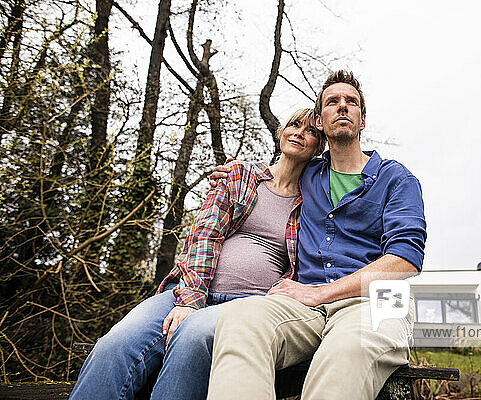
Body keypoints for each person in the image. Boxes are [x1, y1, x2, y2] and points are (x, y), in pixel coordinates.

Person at [69, 108, 326, 400]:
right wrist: (191, 300)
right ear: (281, 132)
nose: (299, 133)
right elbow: (205, 234)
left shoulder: (312, 205)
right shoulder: (240, 176)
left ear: (319, 146)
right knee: (115, 346)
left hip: (246, 307)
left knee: (191, 337)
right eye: (294, 125)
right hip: (186, 291)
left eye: (311, 132)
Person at [206, 70, 427, 400]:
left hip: (377, 300)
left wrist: (324, 293)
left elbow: (405, 261)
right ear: (321, 122)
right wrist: (236, 173)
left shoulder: (396, 178)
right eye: (332, 101)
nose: (342, 106)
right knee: (240, 320)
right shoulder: (308, 175)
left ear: (362, 120)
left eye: (351, 102)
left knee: (347, 351)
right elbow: (271, 178)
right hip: (305, 303)